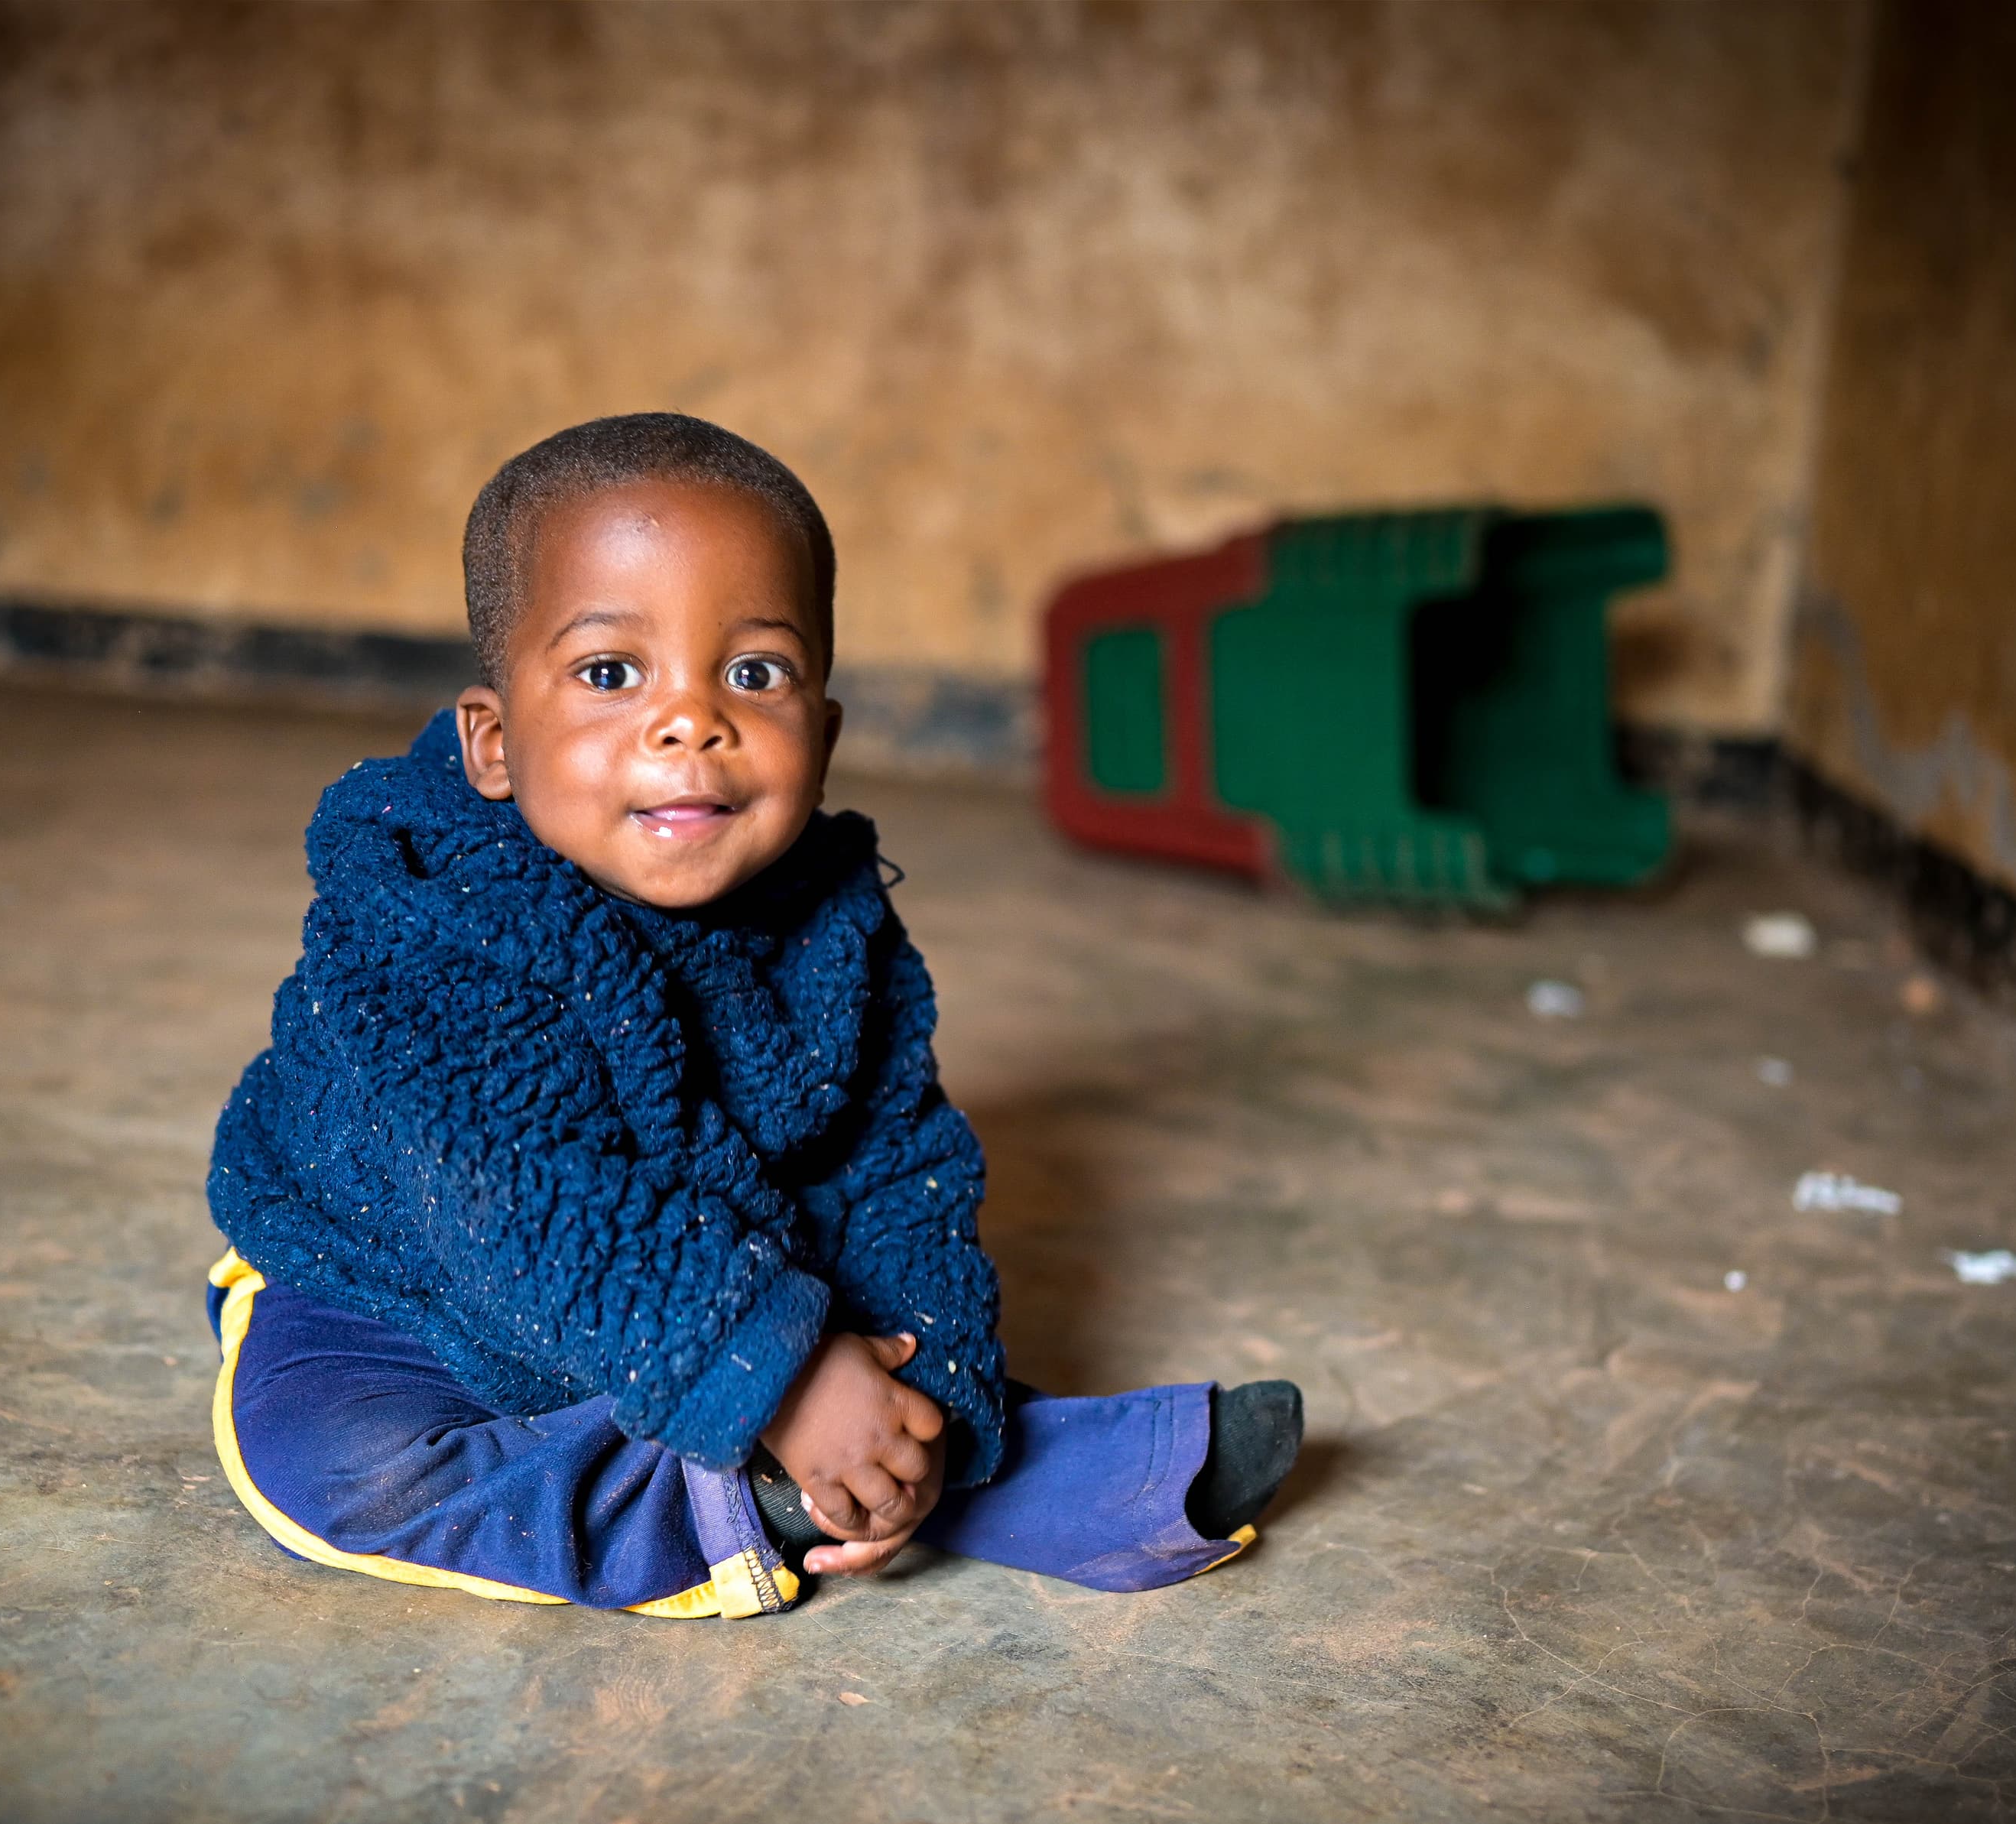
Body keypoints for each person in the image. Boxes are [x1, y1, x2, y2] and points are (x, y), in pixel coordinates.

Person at [203, 412, 1301, 1618]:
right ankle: (725, 1502)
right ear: (495, 742)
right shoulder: (429, 918)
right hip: (398, 1290)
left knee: (900, 1392)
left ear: (822, 736)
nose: (691, 722)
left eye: (754, 673)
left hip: (717, 1271)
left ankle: (948, 1464)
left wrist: (923, 1379)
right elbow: (515, 1196)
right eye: (612, 673)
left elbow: (896, 1163)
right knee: (342, 1467)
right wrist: (780, 1377)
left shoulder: (829, 924)